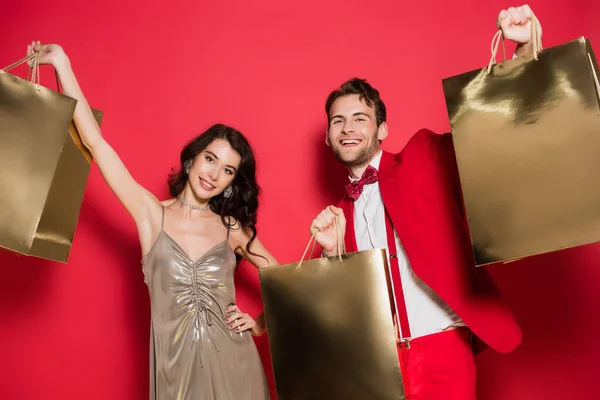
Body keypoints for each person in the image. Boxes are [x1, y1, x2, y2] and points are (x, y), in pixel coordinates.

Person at [309, 5, 538, 399]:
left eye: (360, 118)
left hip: (441, 345)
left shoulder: (423, 155)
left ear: (382, 129)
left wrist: (523, 54)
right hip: (377, 360)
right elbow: (344, 308)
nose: (348, 128)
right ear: (328, 137)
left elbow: (487, 133)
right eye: (337, 121)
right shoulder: (338, 216)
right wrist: (334, 254)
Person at [27, 41, 274, 400]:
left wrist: (261, 324)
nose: (213, 174)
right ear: (192, 159)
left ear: (232, 182)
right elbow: (95, 143)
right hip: (176, 374)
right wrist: (62, 63)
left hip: (239, 371)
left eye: (227, 170)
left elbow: (283, 279)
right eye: (209, 158)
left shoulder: (232, 229)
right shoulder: (150, 213)